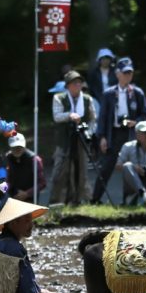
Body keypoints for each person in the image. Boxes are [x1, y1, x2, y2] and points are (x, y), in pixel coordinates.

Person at [92, 57, 146, 203]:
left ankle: (131, 200)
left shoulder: (137, 93)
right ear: (118, 74)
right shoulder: (109, 94)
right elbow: (103, 117)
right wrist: (102, 137)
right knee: (106, 167)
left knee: (133, 167)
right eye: (125, 73)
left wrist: (136, 122)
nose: (127, 76)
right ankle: (95, 199)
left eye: (130, 73)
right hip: (114, 133)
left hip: (132, 133)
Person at [49, 70, 97, 205]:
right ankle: (57, 200)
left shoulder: (87, 99)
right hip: (64, 140)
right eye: (74, 83)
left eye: (79, 82)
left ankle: (80, 199)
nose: (77, 85)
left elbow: (93, 119)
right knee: (61, 170)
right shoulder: (59, 98)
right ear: (68, 86)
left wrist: (89, 132)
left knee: (82, 170)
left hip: (81, 140)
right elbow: (57, 116)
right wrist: (70, 115)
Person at [4, 133, 46, 203]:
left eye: (19, 147)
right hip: (15, 198)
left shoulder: (35, 160)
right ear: (10, 148)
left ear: (24, 146)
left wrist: (27, 194)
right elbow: (9, 180)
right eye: (14, 147)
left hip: (31, 200)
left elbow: (42, 183)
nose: (17, 149)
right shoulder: (9, 158)